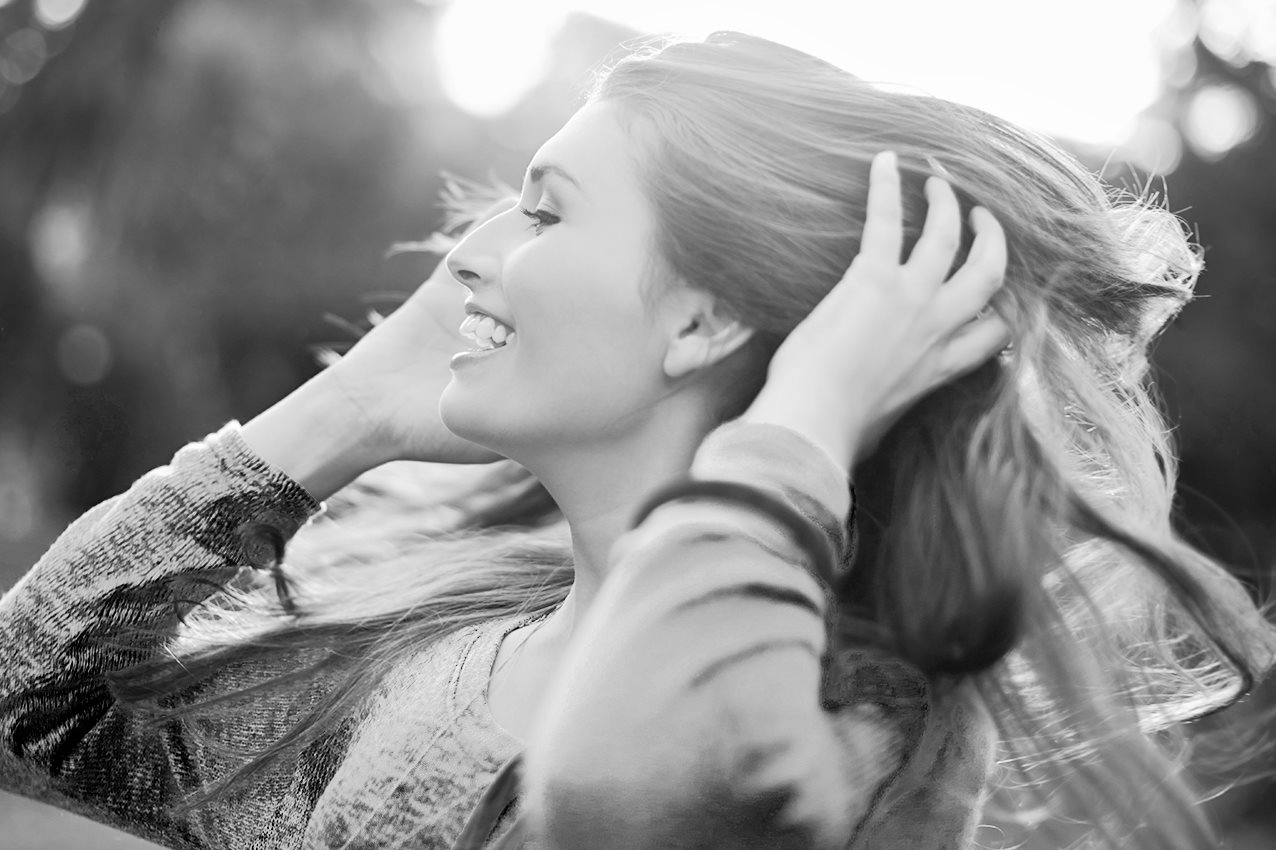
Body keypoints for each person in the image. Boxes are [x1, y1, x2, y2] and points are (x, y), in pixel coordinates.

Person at [1, 30, 1272, 850]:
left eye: (545, 212)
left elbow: (621, 785)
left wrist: (803, 419)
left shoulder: (846, 725)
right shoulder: (439, 655)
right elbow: (30, 706)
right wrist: (348, 413)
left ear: (705, 320)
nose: (469, 255)